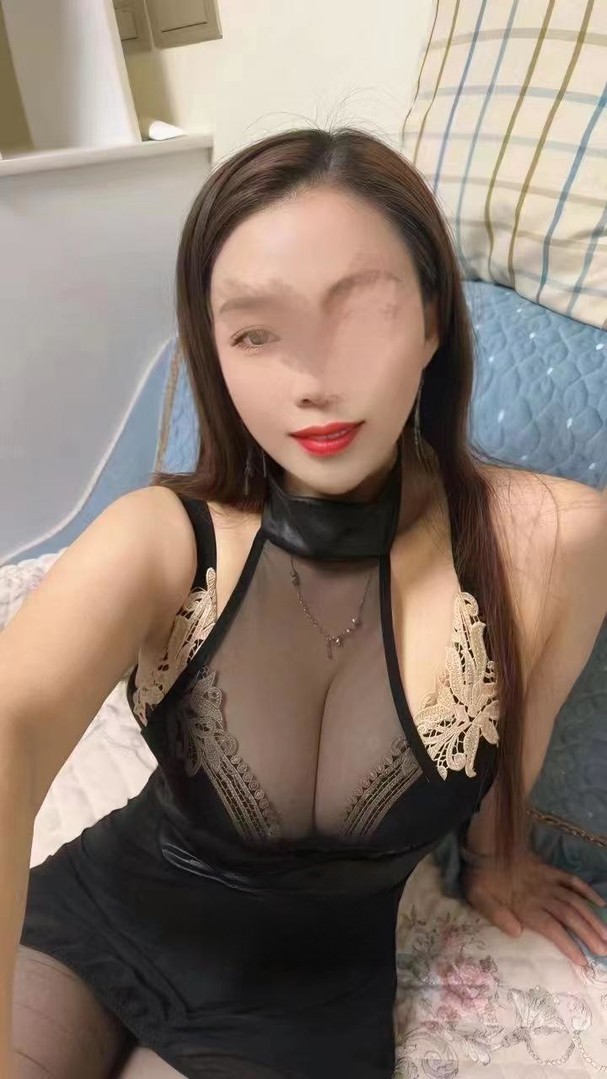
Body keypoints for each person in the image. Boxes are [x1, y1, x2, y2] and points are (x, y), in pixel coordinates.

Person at [2, 129, 606, 1079]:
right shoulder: (162, 535)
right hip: (96, 920)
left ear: (432, 320)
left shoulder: (550, 538)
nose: (314, 379)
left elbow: (515, 742)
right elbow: (13, 722)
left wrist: (498, 861)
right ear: (215, 353)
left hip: (299, 1008)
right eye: (256, 332)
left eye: (359, 313)